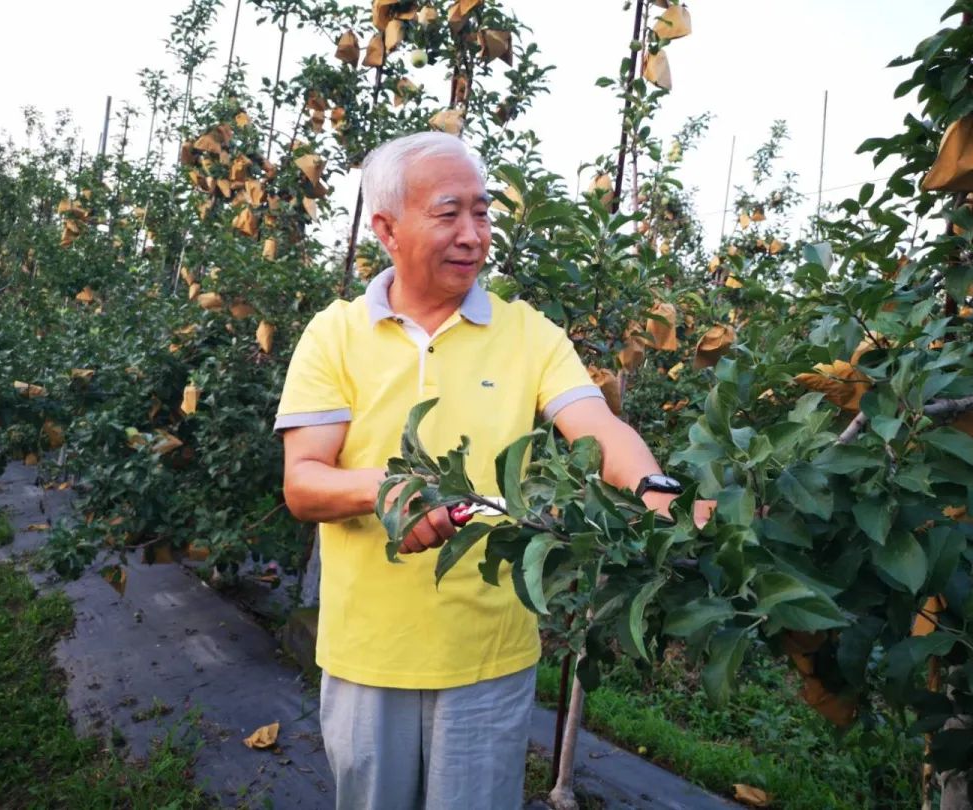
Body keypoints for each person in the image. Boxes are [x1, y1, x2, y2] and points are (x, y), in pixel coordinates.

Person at [276, 131, 685, 810]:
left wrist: (656, 492)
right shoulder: (335, 335)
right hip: (367, 655)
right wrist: (388, 489)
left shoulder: (527, 332)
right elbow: (304, 480)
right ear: (385, 228)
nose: (473, 235)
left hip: (490, 657)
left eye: (483, 213)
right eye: (448, 214)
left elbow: (600, 427)